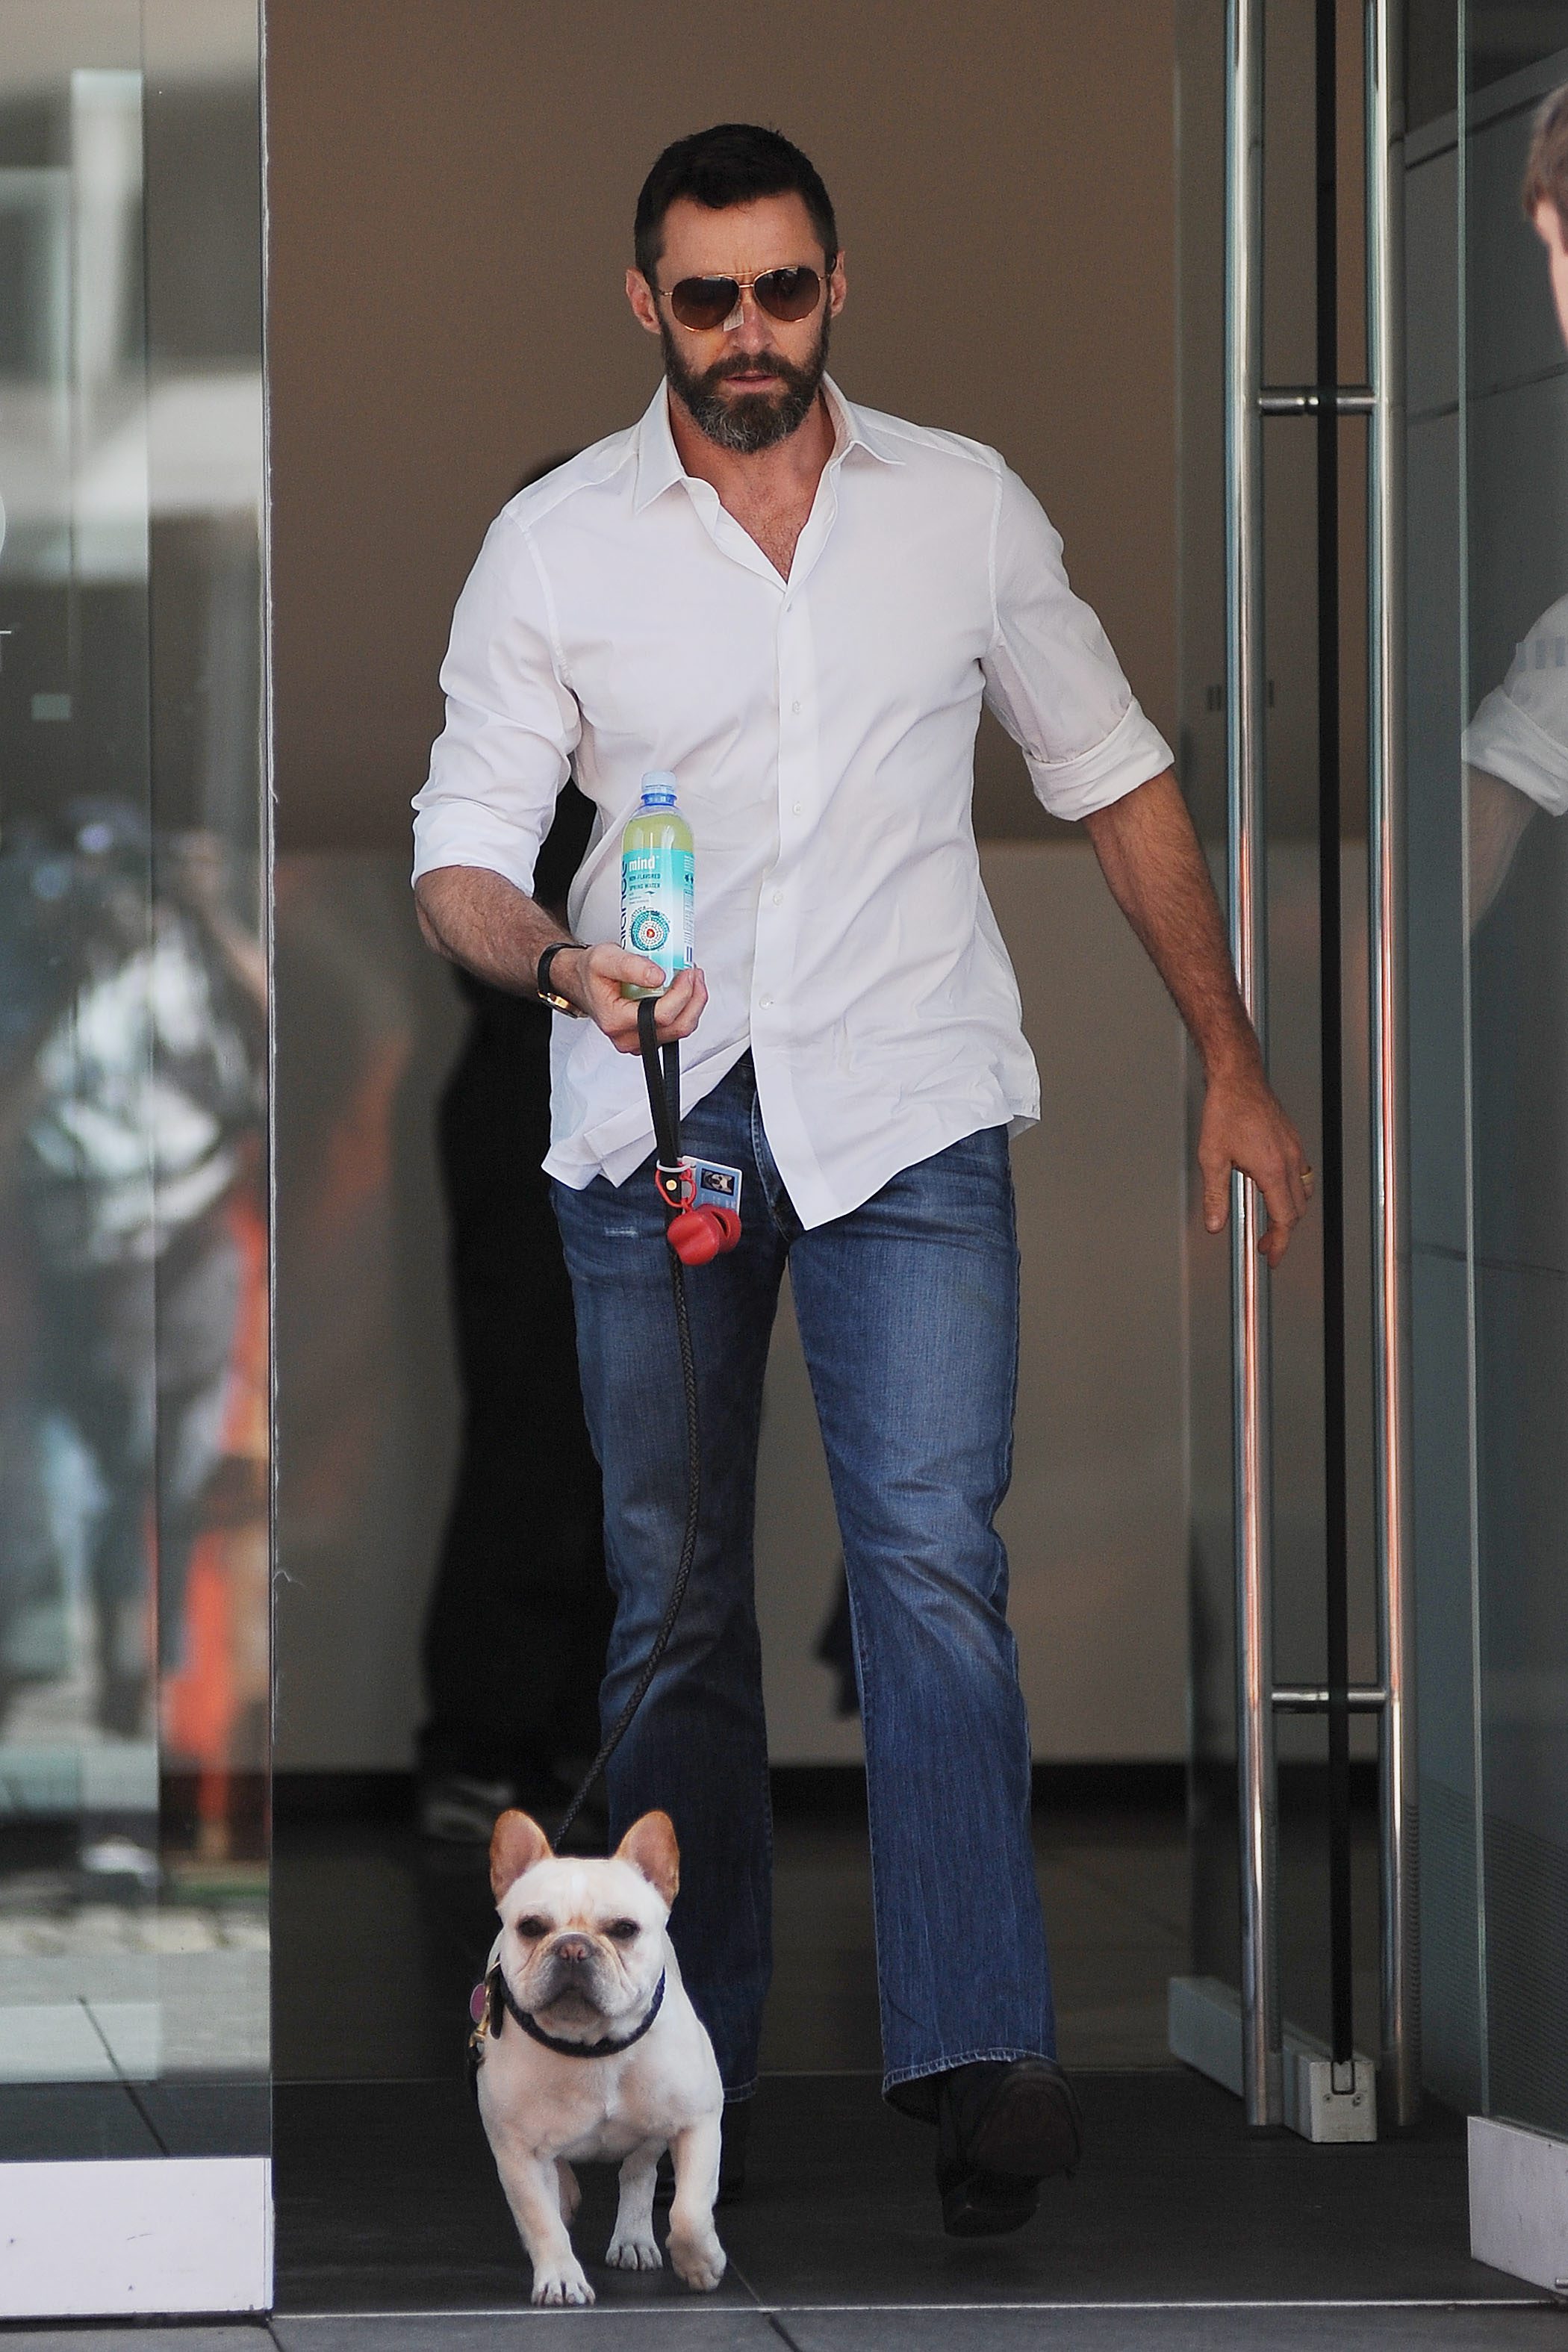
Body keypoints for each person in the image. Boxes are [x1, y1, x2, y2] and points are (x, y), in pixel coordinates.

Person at [411, 123, 1310, 2236]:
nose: (750, 331)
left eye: (785, 289)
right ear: (646, 304)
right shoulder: (555, 543)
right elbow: (458, 848)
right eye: (707, 296)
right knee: (673, 1602)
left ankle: (982, 2059)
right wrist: (556, 960)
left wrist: (1230, 1059)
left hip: (905, 1105)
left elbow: (1113, 775)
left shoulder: (962, 506)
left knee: (929, 1566)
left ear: (836, 286)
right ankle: (669, 2076)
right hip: (650, 1112)